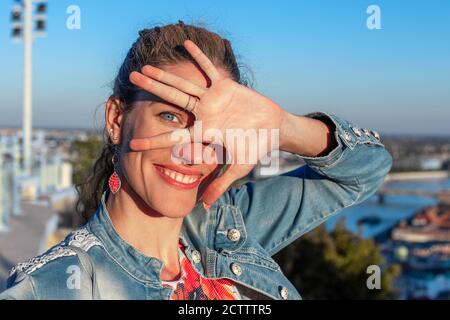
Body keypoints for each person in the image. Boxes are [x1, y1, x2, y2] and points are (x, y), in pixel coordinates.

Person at [0, 21, 392, 300]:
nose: (194, 151)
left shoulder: (226, 227)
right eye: (170, 117)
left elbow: (365, 171)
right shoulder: (56, 286)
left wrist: (283, 126)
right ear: (117, 120)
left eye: (214, 132)